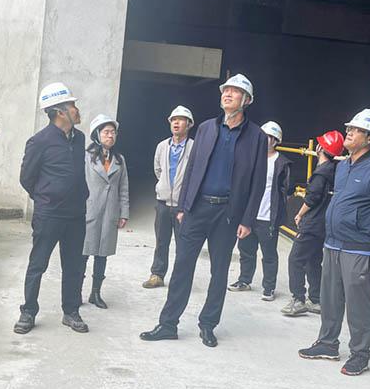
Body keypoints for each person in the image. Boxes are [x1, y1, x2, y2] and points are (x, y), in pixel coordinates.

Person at [139, 73, 268, 348]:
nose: (227, 94)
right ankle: (168, 324)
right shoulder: (207, 128)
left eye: (234, 91)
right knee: (182, 267)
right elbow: (192, 169)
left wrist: (248, 219)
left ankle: (208, 325)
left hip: (228, 214)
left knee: (219, 272)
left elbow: (257, 182)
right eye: (225, 90)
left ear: (246, 100)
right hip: (197, 209)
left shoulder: (256, 136)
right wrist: (184, 206)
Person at [298, 109, 370, 376]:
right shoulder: (342, 167)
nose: (349, 133)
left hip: (359, 248)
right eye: (349, 128)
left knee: (359, 304)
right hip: (333, 243)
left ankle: (360, 354)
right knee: (330, 298)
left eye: (355, 130)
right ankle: (328, 343)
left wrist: (368, 228)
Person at [15, 82, 90, 334]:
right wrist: (45, 198)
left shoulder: (79, 139)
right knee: (38, 264)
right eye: (72, 105)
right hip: (49, 215)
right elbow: (26, 178)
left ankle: (71, 312)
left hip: (76, 215)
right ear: (60, 112)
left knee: (73, 266)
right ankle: (28, 311)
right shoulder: (39, 141)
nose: (77, 109)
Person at [281, 130, 344, 317]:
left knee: (295, 259)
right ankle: (316, 300)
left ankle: (298, 300)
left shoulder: (321, 174)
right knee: (313, 261)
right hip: (324, 224)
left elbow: (312, 198)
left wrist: (300, 214)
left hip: (312, 224)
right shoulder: (335, 171)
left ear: (320, 149)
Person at [227, 121, 291, 301]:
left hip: (267, 216)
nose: (265, 140)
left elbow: (285, 190)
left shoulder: (281, 163)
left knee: (269, 254)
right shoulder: (250, 159)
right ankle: (244, 280)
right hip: (248, 215)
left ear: (276, 141)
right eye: (263, 137)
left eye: (270, 137)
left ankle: (269, 287)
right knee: (246, 250)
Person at [143, 106, 195, 289]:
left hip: (183, 205)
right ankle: (157, 274)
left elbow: (196, 175)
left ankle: (180, 279)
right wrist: (165, 186)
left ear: (189, 124)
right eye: (173, 120)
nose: (176, 123)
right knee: (161, 241)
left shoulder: (194, 147)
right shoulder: (162, 146)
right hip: (163, 203)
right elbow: (158, 170)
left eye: (180, 120)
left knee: (184, 244)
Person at [82, 114, 129, 309]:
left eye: (113, 132)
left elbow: (123, 187)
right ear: (97, 134)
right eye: (106, 132)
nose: (111, 136)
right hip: (89, 211)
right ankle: (75, 292)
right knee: (83, 254)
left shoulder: (119, 159)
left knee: (102, 255)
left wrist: (124, 213)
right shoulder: (86, 157)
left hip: (110, 212)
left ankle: (96, 293)